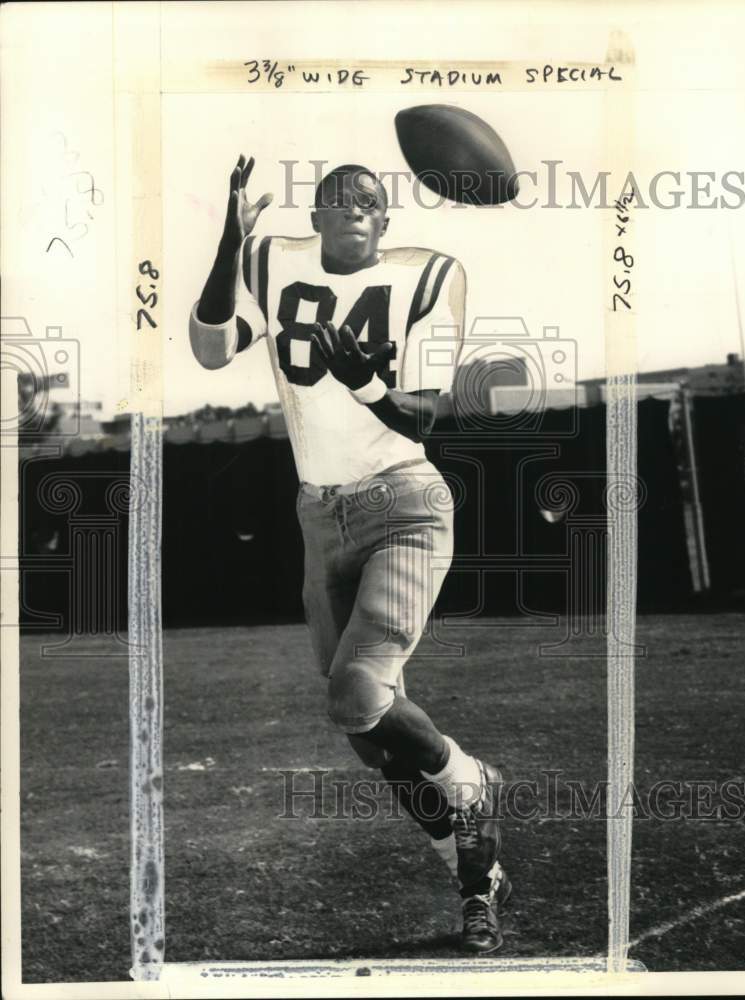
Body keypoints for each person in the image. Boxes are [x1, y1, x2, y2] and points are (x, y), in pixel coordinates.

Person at [189, 155, 510, 952]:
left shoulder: (428, 276)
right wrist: (230, 237)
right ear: (317, 216)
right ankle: (473, 872)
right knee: (368, 733)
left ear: (385, 218)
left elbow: (424, 419)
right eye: (336, 197)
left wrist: (366, 383)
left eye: (369, 198)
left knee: (357, 691)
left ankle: (469, 779)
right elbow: (208, 345)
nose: (353, 205)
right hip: (318, 515)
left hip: (403, 500)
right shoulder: (275, 260)